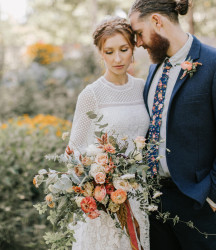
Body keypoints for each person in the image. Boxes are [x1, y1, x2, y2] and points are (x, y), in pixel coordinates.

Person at [129, 0, 216, 249]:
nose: (137, 43)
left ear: (157, 21)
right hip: (154, 204)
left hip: (196, 202)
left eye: (139, 33)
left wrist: (213, 197)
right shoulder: (154, 70)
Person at [69, 17, 150, 250]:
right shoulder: (91, 95)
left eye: (124, 50)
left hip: (140, 194)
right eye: (110, 51)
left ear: (133, 49)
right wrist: (98, 181)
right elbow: (74, 150)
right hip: (106, 200)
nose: (117, 58)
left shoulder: (142, 88)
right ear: (100, 53)